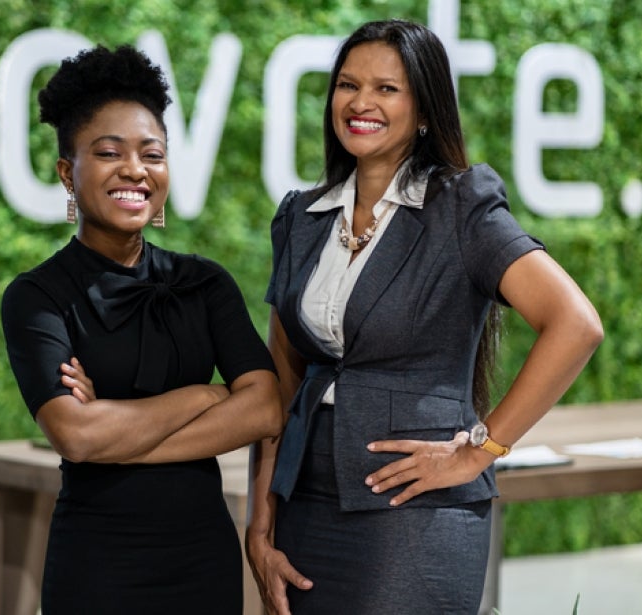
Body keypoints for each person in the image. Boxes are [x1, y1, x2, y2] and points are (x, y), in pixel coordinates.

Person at [245, 19, 604, 614]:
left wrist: (478, 450)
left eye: (387, 89)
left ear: (425, 110)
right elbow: (283, 383)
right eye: (347, 85)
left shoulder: (462, 207)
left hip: (413, 512)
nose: (361, 103)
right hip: (304, 507)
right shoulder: (300, 218)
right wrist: (260, 526)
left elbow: (575, 324)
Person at [0, 45, 283, 615]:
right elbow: (76, 437)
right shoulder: (38, 297)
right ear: (67, 173)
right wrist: (208, 395)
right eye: (109, 152)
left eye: (151, 154)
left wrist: (115, 433)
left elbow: (267, 409)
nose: (135, 170)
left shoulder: (203, 282)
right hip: (97, 566)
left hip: (203, 559)